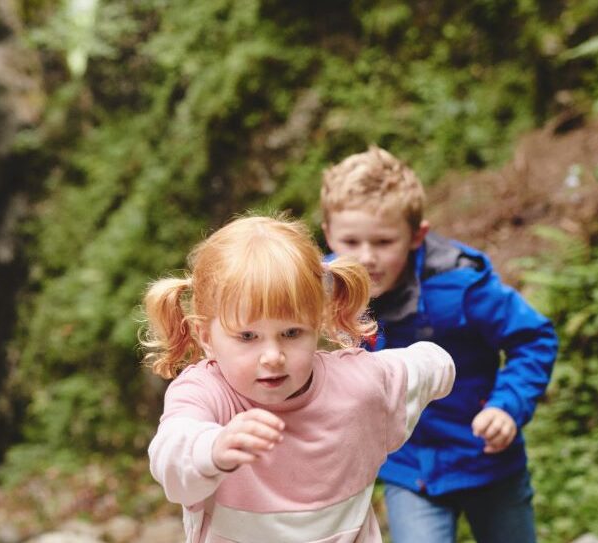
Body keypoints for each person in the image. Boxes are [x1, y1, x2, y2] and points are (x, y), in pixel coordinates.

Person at [146, 215, 456, 542]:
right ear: (205, 335)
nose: (272, 355)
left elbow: (432, 364)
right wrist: (212, 448)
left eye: (291, 332)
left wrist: (441, 367)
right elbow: (171, 456)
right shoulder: (205, 394)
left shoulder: (359, 383)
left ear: (318, 323)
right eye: (248, 336)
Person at [319, 147, 559, 543]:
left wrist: (507, 405)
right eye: (350, 241)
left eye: (383, 241)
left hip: (487, 457)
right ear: (328, 233)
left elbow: (533, 338)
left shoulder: (459, 285)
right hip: (411, 470)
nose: (365, 258)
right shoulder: (324, 291)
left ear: (417, 235)